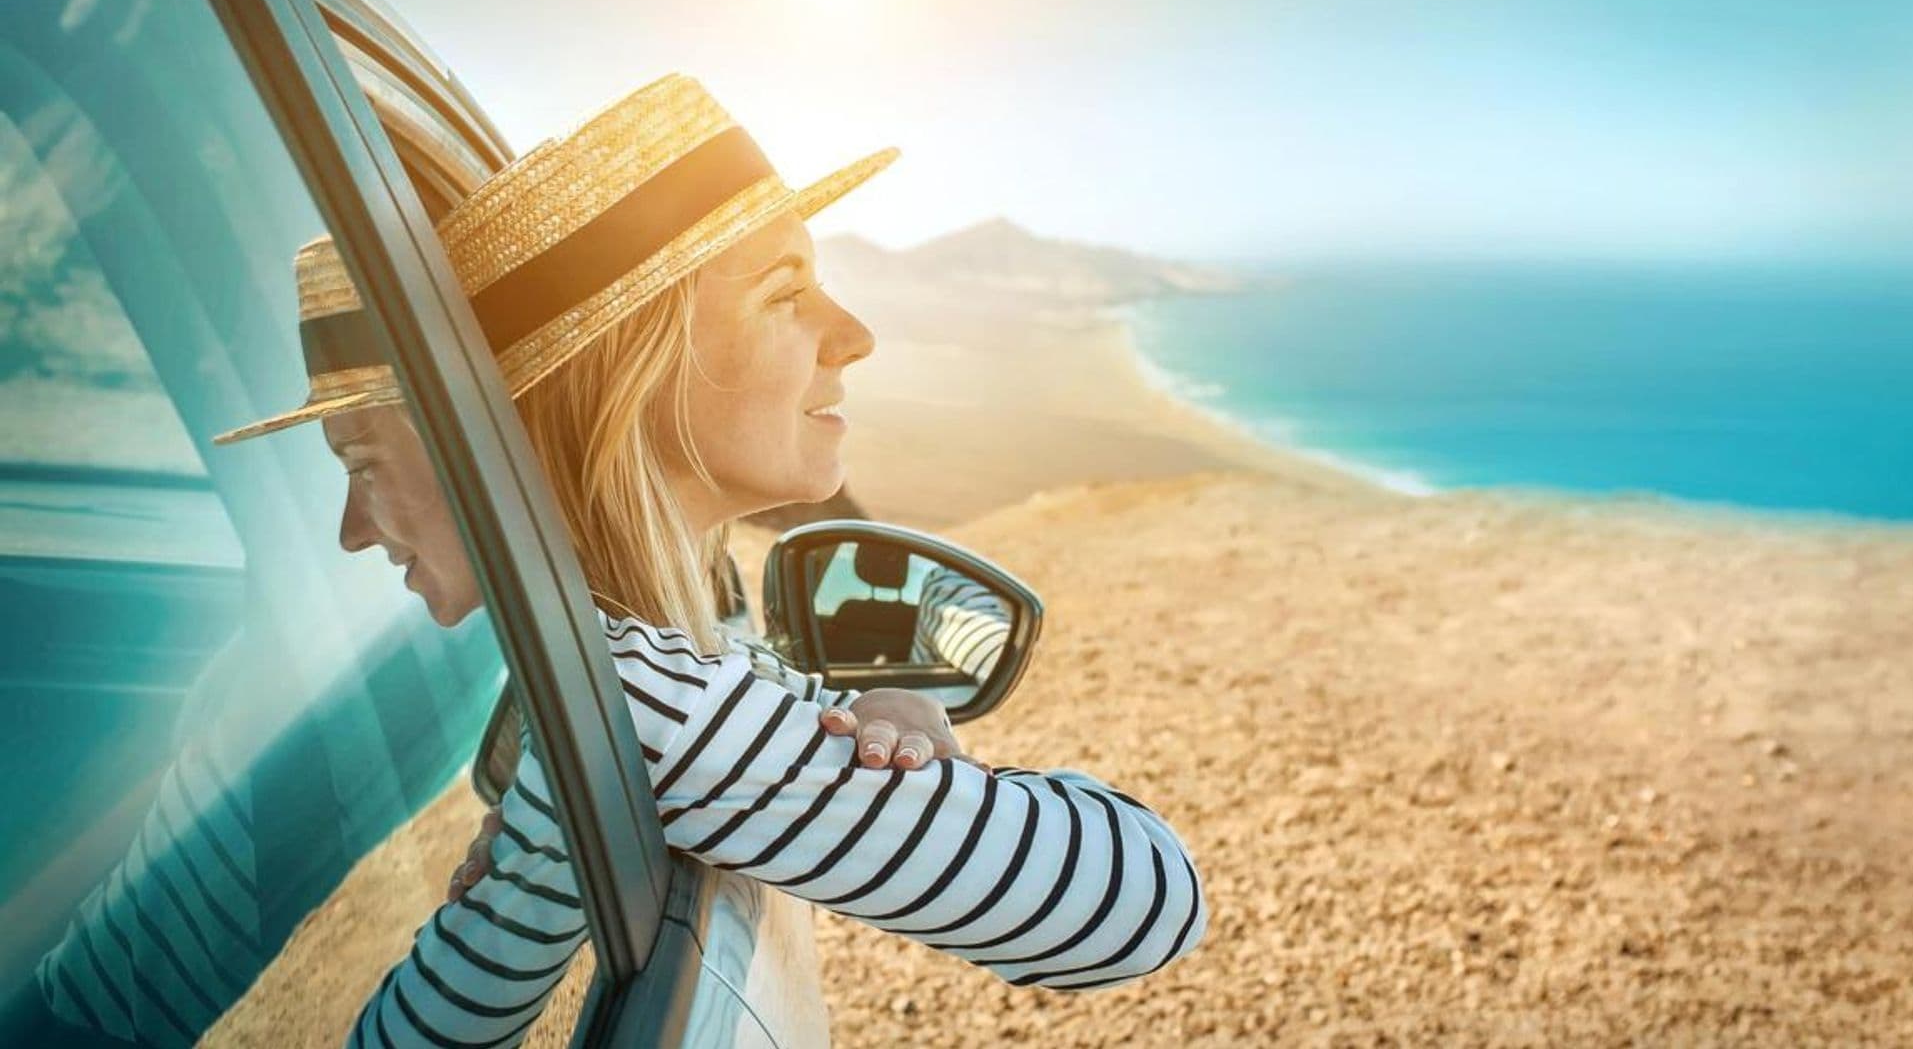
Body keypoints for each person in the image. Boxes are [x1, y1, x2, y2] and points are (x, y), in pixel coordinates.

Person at [219, 74, 1206, 1045]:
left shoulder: (613, 683)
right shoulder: (647, 705)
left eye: (360, 465)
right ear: (634, 373)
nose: (855, 337)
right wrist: (914, 719)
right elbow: (1148, 903)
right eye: (787, 294)